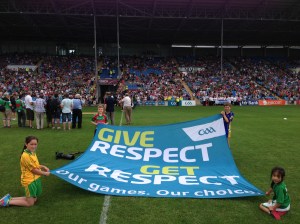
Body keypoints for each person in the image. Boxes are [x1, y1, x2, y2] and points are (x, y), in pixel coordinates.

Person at [0, 136, 50, 207]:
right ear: (26, 144)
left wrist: (43, 167)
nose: (34, 146)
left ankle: (9, 199)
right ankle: (6, 202)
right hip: (29, 181)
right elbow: (33, 170)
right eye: (31, 144)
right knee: (30, 203)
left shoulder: (32, 152)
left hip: (35, 179)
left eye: (35, 144)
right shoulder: (25, 156)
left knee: (34, 199)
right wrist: (44, 173)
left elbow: (35, 165)